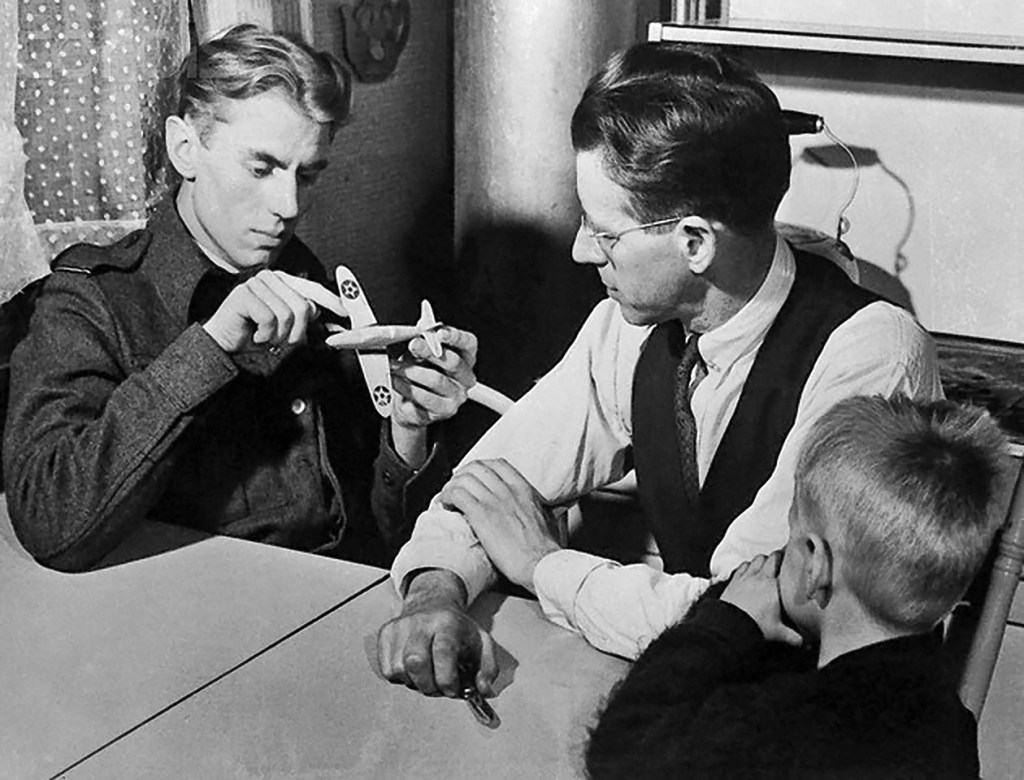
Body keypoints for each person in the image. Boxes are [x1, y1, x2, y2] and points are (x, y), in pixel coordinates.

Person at [376, 41, 942, 698]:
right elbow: (487, 488)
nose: (581, 251)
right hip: (701, 694)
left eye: (604, 232)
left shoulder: (871, 355)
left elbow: (748, 615)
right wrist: (435, 593)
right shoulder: (627, 330)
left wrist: (542, 565)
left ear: (695, 243)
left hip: (828, 719)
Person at [3, 24, 478, 571]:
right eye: (261, 168)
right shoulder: (92, 300)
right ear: (185, 149)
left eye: (307, 175)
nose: (288, 206)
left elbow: (365, 529)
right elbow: (49, 523)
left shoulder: (305, 276)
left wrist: (408, 430)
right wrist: (210, 347)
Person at [584, 394, 1009, 779]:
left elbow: (623, 748)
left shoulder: (775, 727)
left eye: (791, 537)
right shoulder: (952, 730)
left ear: (816, 562)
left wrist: (724, 623)